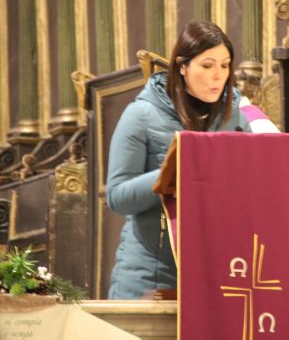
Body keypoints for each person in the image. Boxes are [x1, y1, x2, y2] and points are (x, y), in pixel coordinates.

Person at [106, 20, 252, 299]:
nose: (218, 75)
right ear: (182, 66)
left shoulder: (235, 119)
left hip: (217, 273)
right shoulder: (141, 114)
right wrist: (173, 172)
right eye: (207, 65)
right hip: (151, 274)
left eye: (225, 65)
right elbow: (117, 197)